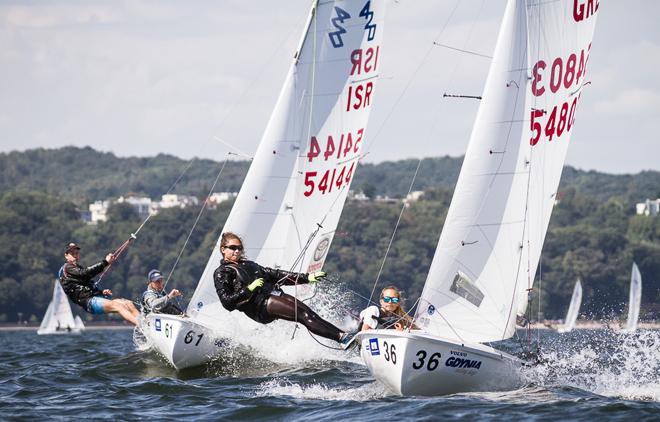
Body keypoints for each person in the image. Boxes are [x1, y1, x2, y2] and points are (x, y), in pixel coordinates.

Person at [214, 232, 355, 345]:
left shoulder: (249, 264)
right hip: (260, 307)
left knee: (309, 313)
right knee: (303, 316)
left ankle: (344, 336)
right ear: (223, 249)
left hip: (273, 296)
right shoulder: (222, 272)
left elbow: (276, 275)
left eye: (239, 248)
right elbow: (227, 303)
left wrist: (307, 278)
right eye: (233, 248)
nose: (237, 251)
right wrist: (249, 289)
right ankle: (341, 338)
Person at [59, 242, 140, 325]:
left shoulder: (76, 269)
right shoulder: (67, 268)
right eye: (72, 254)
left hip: (95, 298)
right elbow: (85, 273)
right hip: (89, 302)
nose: (75, 256)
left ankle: (146, 323)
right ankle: (142, 326)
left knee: (128, 303)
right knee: (119, 306)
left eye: (76, 253)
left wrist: (101, 292)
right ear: (66, 255)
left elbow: (86, 284)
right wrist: (105, 262)